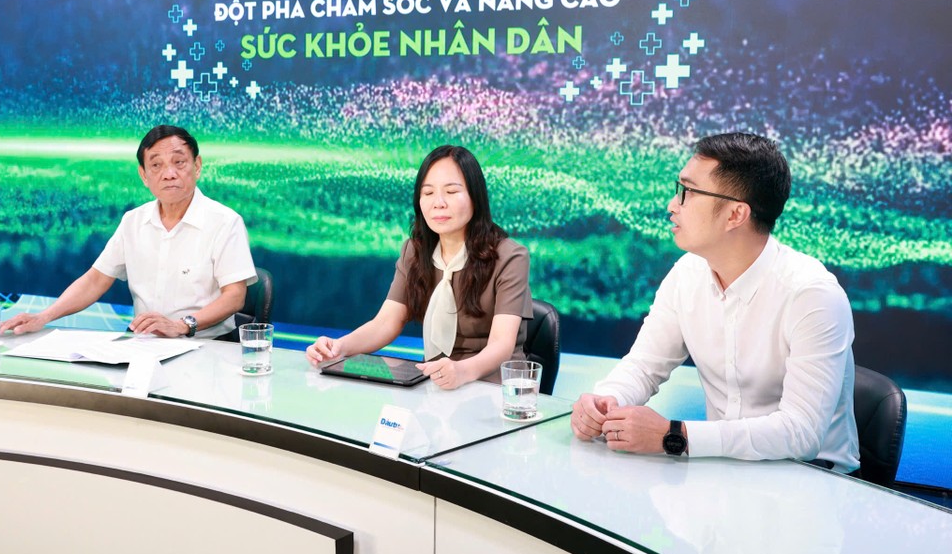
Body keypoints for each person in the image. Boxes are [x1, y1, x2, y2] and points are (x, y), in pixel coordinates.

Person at [571, 133, 858, 472]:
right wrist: (606, 400)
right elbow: (644, 366)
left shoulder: (813, 295)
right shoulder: (687, 273)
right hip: (723, 471)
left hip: (814, 478)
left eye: (688, 192)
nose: (672, 205)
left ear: (735, 214)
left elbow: (802, 432)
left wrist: (674, 436)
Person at [306, 145, 533, 389]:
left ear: (475, 197)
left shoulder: (510, 257)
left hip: (497, 387)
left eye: (451, 191)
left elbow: (501, 345)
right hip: (436, 384)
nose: (438, 203)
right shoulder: (415, 252)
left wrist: (461, 371)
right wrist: (338, 347)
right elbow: (385, 323)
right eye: (428, 192)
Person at [1, 125, 256, 339]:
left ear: (197, 166)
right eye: (156, 165)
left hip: (207, 344)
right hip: (144, 344)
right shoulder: (133, 221)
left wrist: (182, 325)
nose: (169, 174)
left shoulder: (225, 222)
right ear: (144, 175)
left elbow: (235, 297)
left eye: (179, 162)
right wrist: (43, 317)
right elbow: (95, 280)